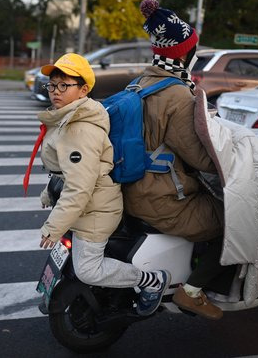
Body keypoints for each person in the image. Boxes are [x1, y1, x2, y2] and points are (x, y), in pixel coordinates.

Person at [34, 53, 171, 316]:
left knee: (88, 269)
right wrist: (49, 192)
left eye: (64, 85)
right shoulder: (67, 118)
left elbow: (80, 187)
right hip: (83, 206)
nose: (55, 91)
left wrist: (53, 228)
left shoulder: (80, 130)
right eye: (52, 85)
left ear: (83, 89)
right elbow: (66, 170)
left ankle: (152, 280)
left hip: (96, 211)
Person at [121, 0, 230, 320]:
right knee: (234, 226)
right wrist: (230, 162)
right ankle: (192, 291)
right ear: (184, 52)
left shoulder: (140, 83)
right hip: (161, 197)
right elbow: (199, 158)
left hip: (133, 188)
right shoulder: (178, 95)